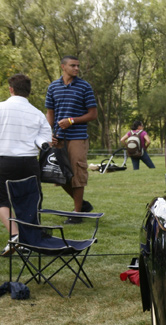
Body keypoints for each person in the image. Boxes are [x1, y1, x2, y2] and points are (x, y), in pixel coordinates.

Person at [0, 73, 51, 254]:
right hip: (29, 162)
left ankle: (15, 236)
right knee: (30, 200)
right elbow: (46, 140)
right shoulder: (37, 113)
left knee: (2, 200)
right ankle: (29, 240)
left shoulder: (1, 108)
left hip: (4, 161)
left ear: (11, 89)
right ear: (28, 91)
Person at [44, 55, 97, 219]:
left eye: (78, 66)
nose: (76, 68)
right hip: (58, 138)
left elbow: (93, 114)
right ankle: (82, 204)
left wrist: (72, 121)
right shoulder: (53, 87)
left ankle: (77, 213)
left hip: (77, 138)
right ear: (63, 67)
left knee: (77, 175)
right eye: (73, 65)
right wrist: (49, 133)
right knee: (58, 175)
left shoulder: (84, 87)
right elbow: (50, 113)